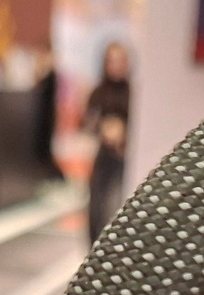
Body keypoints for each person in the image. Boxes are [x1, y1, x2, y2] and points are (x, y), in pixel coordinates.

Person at [81, 40, 128, 245]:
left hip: (123, 160)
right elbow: (87, 123)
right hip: (103, 159)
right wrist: (103, 129)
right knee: (96, 211)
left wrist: (123, 132)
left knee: (113, 210)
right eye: (112, 60)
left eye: (120, 60)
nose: (116, 65)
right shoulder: (98, 93)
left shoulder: (133, 94)